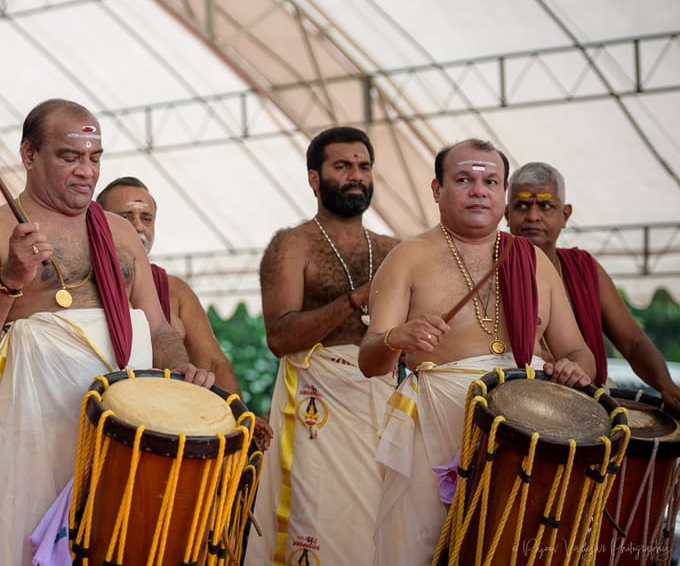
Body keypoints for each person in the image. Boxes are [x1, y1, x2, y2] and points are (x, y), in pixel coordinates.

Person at [0, 98, 213, 565]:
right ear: (28, 155)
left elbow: (159, 328)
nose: (86, 171)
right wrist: (7, 282)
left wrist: (180, 367)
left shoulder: (120, 235)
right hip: (34, 439)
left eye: (95, 157)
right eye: (69, 157)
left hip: (124, 430)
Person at [358, 138, 595, 564]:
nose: (478, 190)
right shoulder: (407, 257)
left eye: (490, 181)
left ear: (502, 193)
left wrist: (575, 369)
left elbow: (579, 350)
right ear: (437, 189)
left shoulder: (533, 261)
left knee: (512, 548)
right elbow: (370, 360)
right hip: (436, 427)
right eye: (464, 180)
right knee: (423, 548)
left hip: (527, 429)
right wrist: (398, 338)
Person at [243, 126, 400, 565]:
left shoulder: (395, 250)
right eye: (342, 166)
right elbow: (280, 337)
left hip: (385, 405)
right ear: (315, 178)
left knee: (382, 526)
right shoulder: (292, 245)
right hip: (317, 411)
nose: (356, 175)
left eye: (364, 167)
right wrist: (355, 299)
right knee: (318, 526)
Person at [507, 161, 680, 410]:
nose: (533, 216)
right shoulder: (491, 270)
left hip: (590, 401)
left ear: (565, 214)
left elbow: (633, 342)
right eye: (522, 206)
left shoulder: (585, 269)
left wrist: (666, 386)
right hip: (519, 402)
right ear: (506, 214)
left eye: (545, 206)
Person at [96, 176, 240, 393]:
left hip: (166, 417)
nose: (138, 227)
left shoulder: (175, 290)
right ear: (98, 223)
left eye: (146, 219)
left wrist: (242, 419)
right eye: (125, 218)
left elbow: (213, 364)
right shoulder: (80, 279)